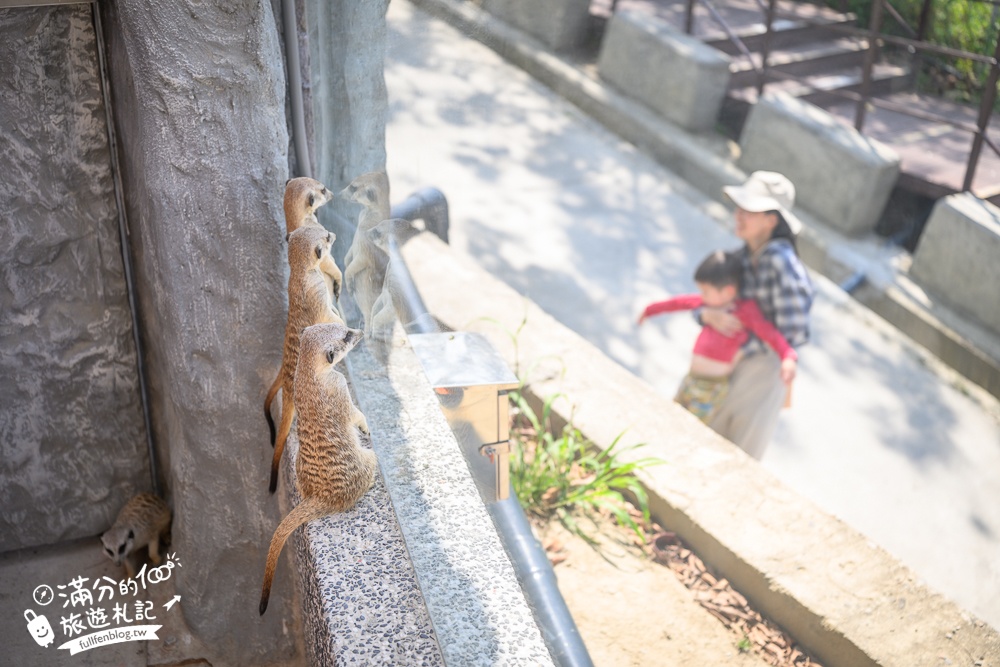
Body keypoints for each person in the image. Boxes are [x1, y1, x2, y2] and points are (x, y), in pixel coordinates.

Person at [701, 171, 814, 459]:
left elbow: (796, 331)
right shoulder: (743, 257)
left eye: (749, 210)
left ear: (771, 220)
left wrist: (744, 341)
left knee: (738, 455)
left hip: (765, 368)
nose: (739, 215)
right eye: (739, 207)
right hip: (733, 362)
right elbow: (709, 300)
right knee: (709, 442)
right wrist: (707, 316)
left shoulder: (780, 262)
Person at [638, 249, 798, 423]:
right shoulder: (708, 305)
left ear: (728, 292)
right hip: (691, 379)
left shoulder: (745, 312)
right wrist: (649, 310)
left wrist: (788, 356)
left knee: (689, 426)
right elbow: (677, 303)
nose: (702, 296)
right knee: (669, 417)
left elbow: (771, 334)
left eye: (705, 291)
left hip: (711, 387)